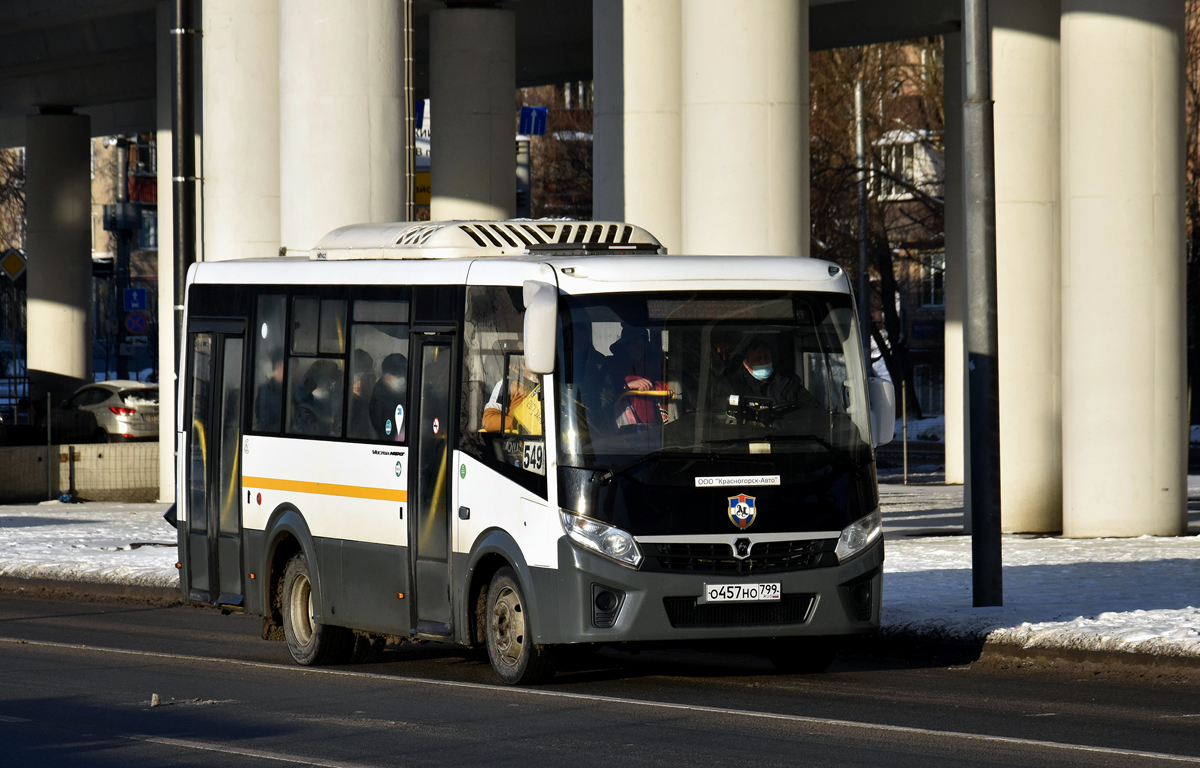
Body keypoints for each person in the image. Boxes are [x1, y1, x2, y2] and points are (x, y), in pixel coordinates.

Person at [715, 337, 819, 409]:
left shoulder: (787, 385)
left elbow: (812, 408)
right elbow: (718, 412)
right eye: (758, 358)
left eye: (766, 357)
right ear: (746, 364)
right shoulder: (731, 386)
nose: (764, 362)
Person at [607, 326, 667, 427]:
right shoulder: (612, 365)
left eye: (643, 344)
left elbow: (672, 383)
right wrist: (627, 386)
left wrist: (652, 385)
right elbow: (606, 391)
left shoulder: (655, 364)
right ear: (625, 346)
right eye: (634, 344)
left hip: (654, 427)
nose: (639, 348)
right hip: (623, 427)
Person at [483, 356, 541, 434]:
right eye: (524, 364)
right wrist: (515, 423)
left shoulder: (546, 381)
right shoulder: (506, 385)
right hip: (523, 437)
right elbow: (489, 422)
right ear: (514, 367)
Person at [291, 358, 343, 436]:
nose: (332, 387)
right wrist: (332, 424)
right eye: (330, 382)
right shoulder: (304, 405)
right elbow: (314, 430)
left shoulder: (326, 399)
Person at [368, 353, 407, 441]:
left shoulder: (404, 392)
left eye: (403, 375)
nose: (402, 379)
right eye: (398, 376)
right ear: (387, 377)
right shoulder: (379, 397)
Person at [347, 349, 376, 438]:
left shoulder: (372, 400)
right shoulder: (345, 400)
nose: (359, 384)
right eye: (355, 379)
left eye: (364, 379)